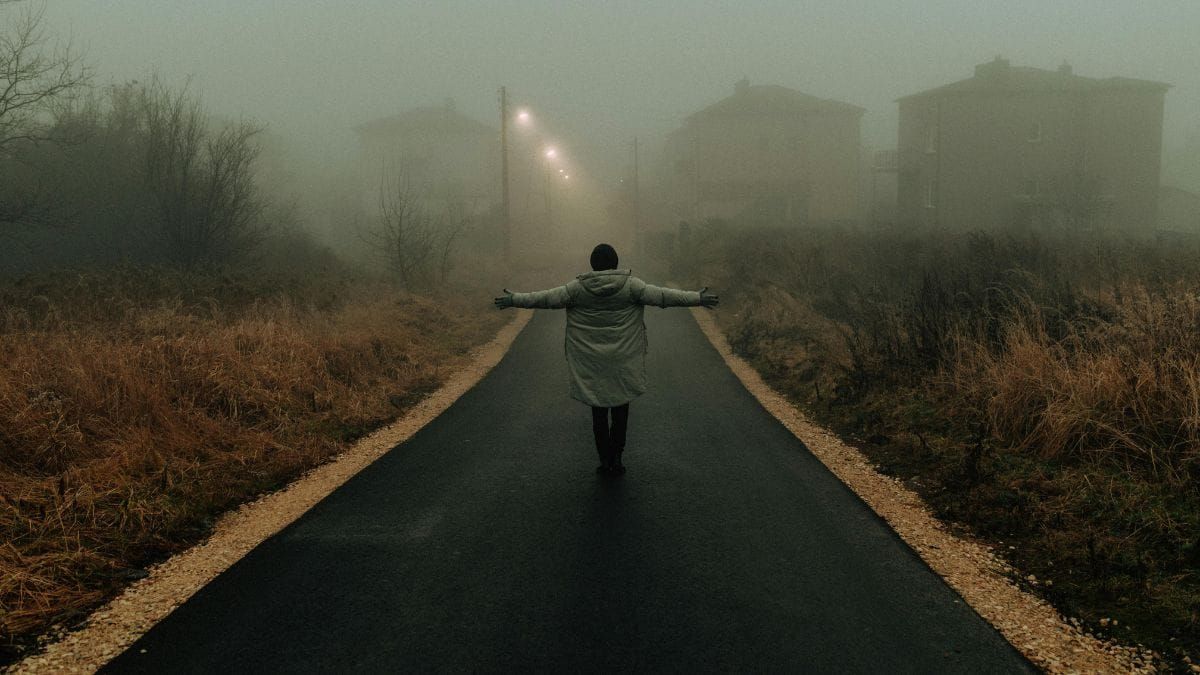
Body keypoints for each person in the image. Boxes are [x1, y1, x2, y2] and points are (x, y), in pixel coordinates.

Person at [494, 243, 719, 475]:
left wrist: (514, 299)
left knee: (598, 411)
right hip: (624, 359)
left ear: (592, 264)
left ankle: (604, 460)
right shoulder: (632, 286)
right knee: (621, 411)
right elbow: (663, 296)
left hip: (590, 362)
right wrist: (697, 298)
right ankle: (617, 458)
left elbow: (544, 298)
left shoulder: (577, 289)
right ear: (616, 263)